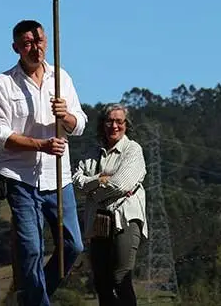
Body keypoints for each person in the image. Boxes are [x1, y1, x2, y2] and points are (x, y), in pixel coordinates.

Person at [0, 19, 87, 306]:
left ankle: (32, 296)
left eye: (39, 40)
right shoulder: (3, 83)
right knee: (31, 248)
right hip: (20, 176)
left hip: (58, 176)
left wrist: (65, 115)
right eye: (28, 43)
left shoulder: (61, 78)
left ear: (47, 41)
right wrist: (39, 145)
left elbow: (79, 123)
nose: (35, 47)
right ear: (16, 47)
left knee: (73, 245)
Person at [72, 104, 147, 306]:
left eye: (119, 121)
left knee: (120, 277)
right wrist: (100, 179)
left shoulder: (133, 150)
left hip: (125, 219)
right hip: (97, 221)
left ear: (126, 125)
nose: (114, 126)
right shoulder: (91, 152)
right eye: (109, 121)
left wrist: (93, 190)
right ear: (102, 125)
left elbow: (121, 184)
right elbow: (76, 181)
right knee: (101, 282)